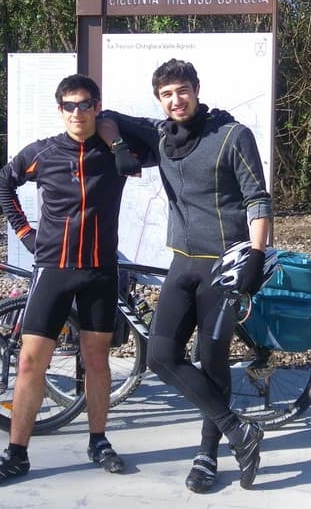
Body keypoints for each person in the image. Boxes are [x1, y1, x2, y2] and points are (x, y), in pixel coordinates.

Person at [97, 58, 274, 492]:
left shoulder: (232, 136)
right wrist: (120, 147)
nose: (176, 100)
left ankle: (207, 456)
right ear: (160, 99)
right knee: (160, 355)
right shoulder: (161, 135)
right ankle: (239, 430)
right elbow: (105, 119)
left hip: (225, 265)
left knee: (213, 363)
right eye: (166, 94)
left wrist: (255, 253)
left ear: (196, 89)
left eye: (182, 90)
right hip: (182, 262)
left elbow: (258, 198)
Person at [0, 74, 151, 487]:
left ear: (96, 107)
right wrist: (24, 233)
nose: (78, 112)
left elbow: (160, 134)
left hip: (100, 272)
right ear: (60, 109)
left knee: (97, 361)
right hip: (53, 269)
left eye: (86, 104)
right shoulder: (43, 152)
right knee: (29, 363)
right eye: (70, 105)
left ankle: (99, 441)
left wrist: (117, 138)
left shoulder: (112, 151)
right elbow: (4, 182)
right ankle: (16, 453)